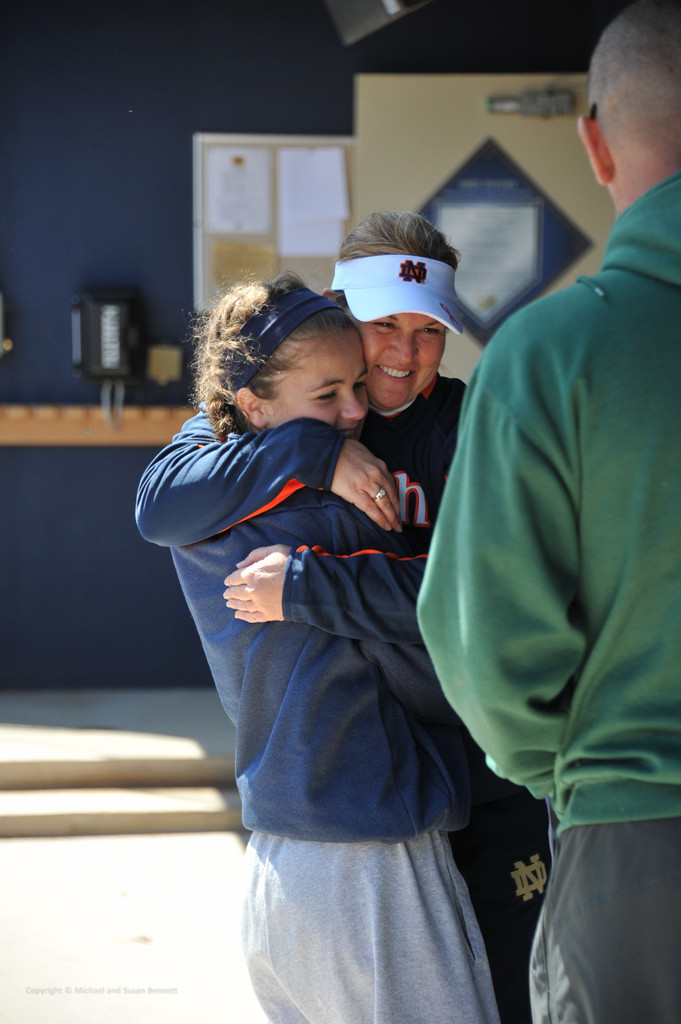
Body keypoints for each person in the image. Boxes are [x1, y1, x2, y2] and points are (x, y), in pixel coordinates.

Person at [136, 212, 552, 1024]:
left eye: (428, 330)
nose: (402, 352)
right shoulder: (284, 419)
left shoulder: (476, 426)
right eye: (382, 325)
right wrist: (315, 453)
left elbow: (493, 596)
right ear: (338, 310)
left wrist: (308, 585)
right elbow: (159, 505)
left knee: (510, 999)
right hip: (370, 794)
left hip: (487, 778)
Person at [416, 3, 681, 1022]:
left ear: (595, 143)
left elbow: (485, 651)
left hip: (634, 848)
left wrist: (565, 765)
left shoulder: (552, 352)